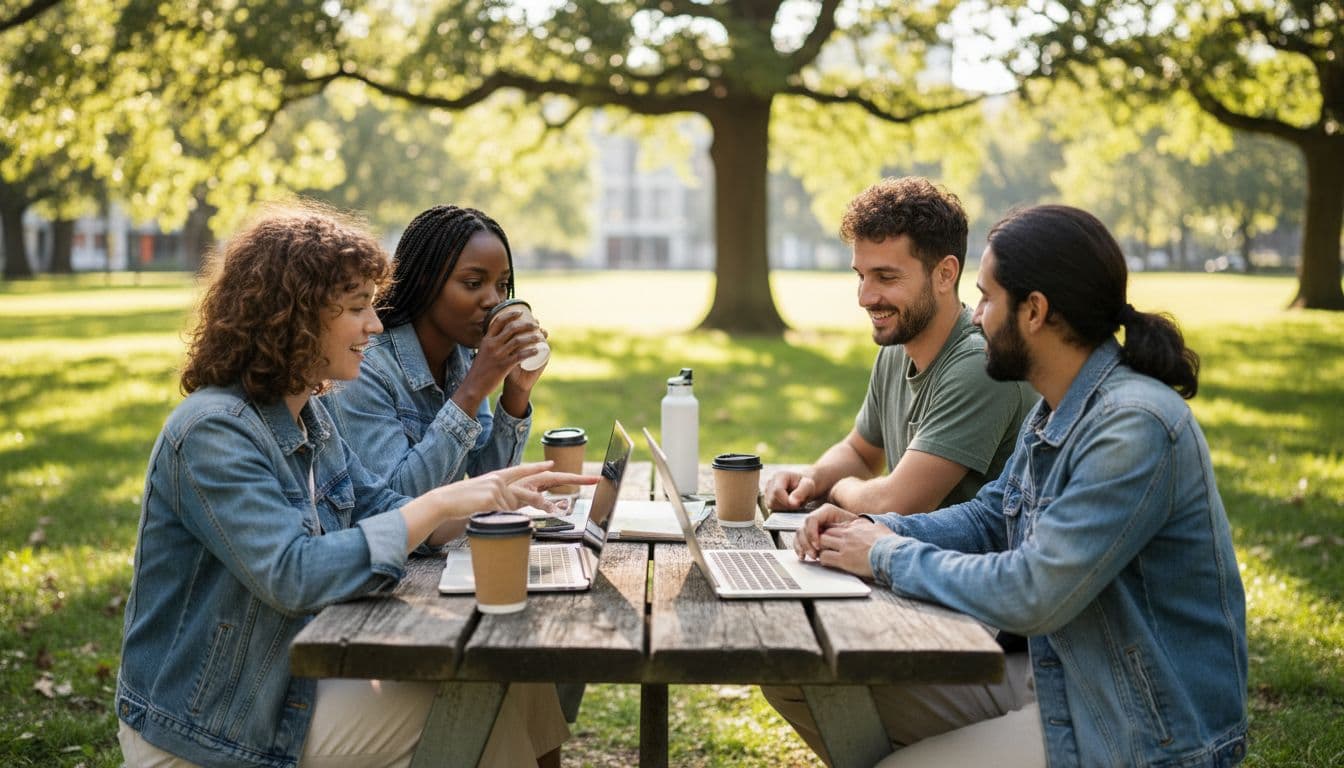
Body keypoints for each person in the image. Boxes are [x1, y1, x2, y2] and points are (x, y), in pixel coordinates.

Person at [115, 204, 588, 768]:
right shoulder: (213, 431)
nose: (377, 325)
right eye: (358, 308)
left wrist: (493, 498)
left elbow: (380, 506)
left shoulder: (307, 416)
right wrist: (439, 501)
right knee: (479, 716)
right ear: (295, 317)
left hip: (288, 676)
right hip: (211, 721)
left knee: (508, 683)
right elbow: (293, 574)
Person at [796, 205, 1248, 767]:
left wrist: (886, 553)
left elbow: (1033, 591)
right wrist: (873, 525)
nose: (976, 316)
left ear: (1034, 311)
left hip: (1136, 730)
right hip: (1056, 683)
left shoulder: (1134, 427)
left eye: (986, 298)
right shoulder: (1053, 412)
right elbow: (990, 518)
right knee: (815, 680)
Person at [760, 177, 1039, 761]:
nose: (866, 296)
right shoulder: (897, 347)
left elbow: (897, 500)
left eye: (886, 277)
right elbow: (862, 450)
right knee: (786, 664)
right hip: (914, 585)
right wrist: (810, 480)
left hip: (979, 625)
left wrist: (841, 490)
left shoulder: (978, 365)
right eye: (861, 275)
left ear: (945, 274)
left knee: (804, 667)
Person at [324, 204, 546, 508]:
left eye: (502, 285)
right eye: (473, 283)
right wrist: (473, 389)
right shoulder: (363, 367)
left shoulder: (463, 357)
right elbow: (399, 506)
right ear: (426, 282)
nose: (493, 300)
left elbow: (490, 481)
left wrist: (517, 391)